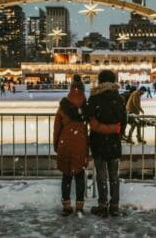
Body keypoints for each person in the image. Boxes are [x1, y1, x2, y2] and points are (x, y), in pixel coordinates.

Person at [86, 70, 127, 217]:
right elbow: (123, 120)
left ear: (100, 81)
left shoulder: (95, 98)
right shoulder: (119, 98)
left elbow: (88, 116)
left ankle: (103, 205)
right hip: (114, 142)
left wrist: (99, 127)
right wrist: (117, 132)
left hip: (98, 141)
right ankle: (114, 205)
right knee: (114, 176)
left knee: (101, 175)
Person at [53, 74, 89, 216]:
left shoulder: (63, 106)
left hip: (65, 142)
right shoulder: (86, 106)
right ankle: (79, 206)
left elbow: (57, 127)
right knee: (79, 175)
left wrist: (56, 144)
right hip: (80, 142)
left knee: (66, 175)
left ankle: (66, 206)